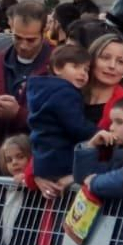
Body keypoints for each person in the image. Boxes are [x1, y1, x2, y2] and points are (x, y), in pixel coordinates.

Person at [0, 1, 52, 152]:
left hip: (38, 158)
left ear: (44, 31)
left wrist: (18, 114)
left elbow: (60, 123)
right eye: (18, 37)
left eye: (31, 40)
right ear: (10, 26)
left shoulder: (58, 66)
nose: (24, 45)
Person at [26, 45, 96, 197]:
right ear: (57, 68)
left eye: (86, 69)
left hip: (43, 158)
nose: (82, 73)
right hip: (61, 157)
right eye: (76, 67)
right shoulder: (66, 92)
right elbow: (76, 126)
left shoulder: (40, 90)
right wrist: (97, 132)